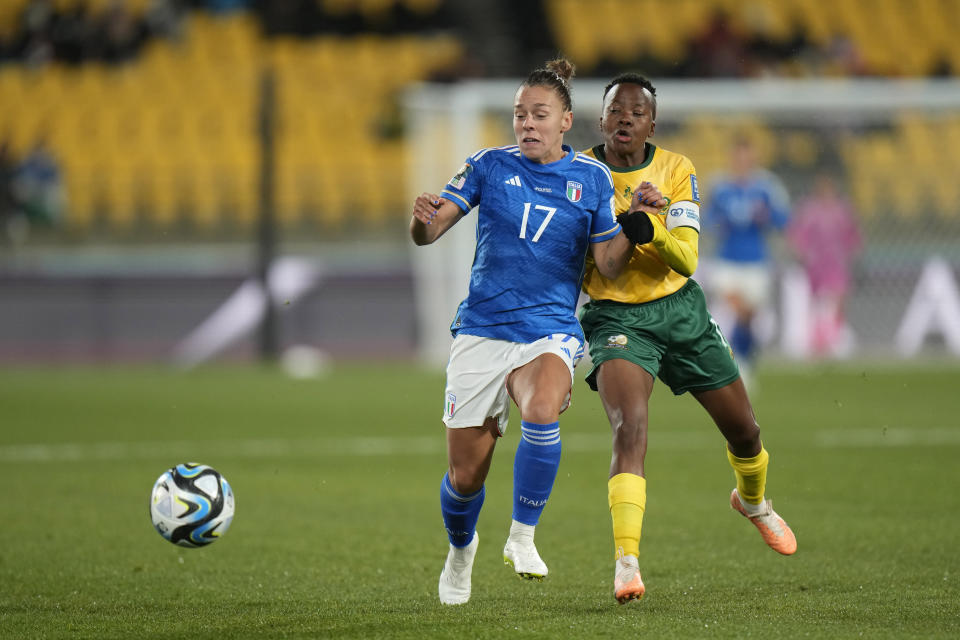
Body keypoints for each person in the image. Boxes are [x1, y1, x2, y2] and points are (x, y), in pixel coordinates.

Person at [409, 59, 662, 606]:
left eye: (539, 114)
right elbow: (428, 234)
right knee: (465, 478)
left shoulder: (591, 179)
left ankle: (522, 537)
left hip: (549, 330)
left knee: (542, 409)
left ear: (566, 121)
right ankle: (461, 550)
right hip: (482, 330)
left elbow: (610, 266)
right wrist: (421, 216)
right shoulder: (486, 166)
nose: (527, 124)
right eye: (520, 114)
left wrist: (637, 223)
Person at [577, 73, 797, 605]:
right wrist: (632, 220)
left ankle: (753, 501)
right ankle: (626, 563)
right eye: (616, 110)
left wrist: (649, 228)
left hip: (682, 311)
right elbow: (587, 258)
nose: (625, 118)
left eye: (637, 111)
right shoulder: (577, 173)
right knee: (630, 427)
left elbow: (688, 257)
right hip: (617, 318)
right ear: (600, 119)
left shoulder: (677, 168)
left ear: (653, 122)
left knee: (745, 432)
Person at [705, 134, 790, 378]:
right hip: (727, 260)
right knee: (738, 308)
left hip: (756, 260)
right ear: (732, 158)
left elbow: (782, 219)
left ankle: (744, 358)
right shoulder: (720, 187)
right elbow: (708, 219)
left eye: (746, 156)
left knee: (749, 317)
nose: (742, 161)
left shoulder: (767, 187)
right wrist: (720, 222)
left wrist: (767, 217)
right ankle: (737, 360)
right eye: (738, 156)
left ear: (753, 158)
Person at [787, 172, 861, 357]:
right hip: (816, 265)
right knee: (818, 304)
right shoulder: (810, 211)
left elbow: (853, 235)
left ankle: (833, 337)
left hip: (836, 264)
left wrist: (852, 252)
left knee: (838, 299)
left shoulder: (842, 210)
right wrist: (802, 252)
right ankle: (820, 340)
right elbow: (798, 235)